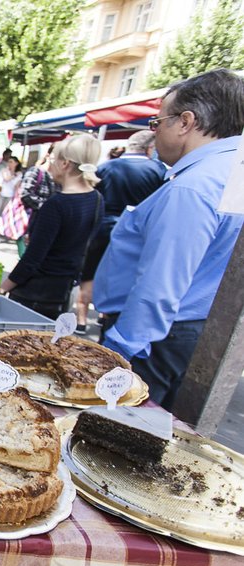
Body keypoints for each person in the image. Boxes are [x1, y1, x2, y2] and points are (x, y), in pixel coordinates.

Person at [93, 68, 244, 409]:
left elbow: (160, 284)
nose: (156, 132)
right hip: (185, 331)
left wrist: (120, 350)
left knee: (121, 432)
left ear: (186, 122)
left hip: (155, 340)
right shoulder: (230, 172)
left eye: (157, 122)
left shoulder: (193, 187)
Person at [0, 134, 103, 320]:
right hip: (62, 293)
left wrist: (4, 287)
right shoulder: (96, 199)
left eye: (54, 160)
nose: (51, 165)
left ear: (65, 164)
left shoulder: (57, 204)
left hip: (33, 294)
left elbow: (33, 258)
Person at [75, 130, 167, 331]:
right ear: (150, 148)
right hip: (136, 236)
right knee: (120, 277)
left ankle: (81, 319)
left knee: (89, 273)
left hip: (102, 229)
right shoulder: (158, 171)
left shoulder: (105, 168)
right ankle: (105, 315)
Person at [17, 146, 60, 256]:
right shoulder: (36, 171)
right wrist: (48, 207)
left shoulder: (59, 178)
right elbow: (25, 194)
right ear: (48, 156)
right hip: (32, 222)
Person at [0, 156, 23, 237]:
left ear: (16, 163)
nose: (9, 163)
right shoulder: (4, 170)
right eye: (9, 161)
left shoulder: (19, 174)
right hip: (1, 194)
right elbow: (6, 178)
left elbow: (17, 186)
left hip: (10, 196)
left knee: (3, 215)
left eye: (11, 162)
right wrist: (14, 175)